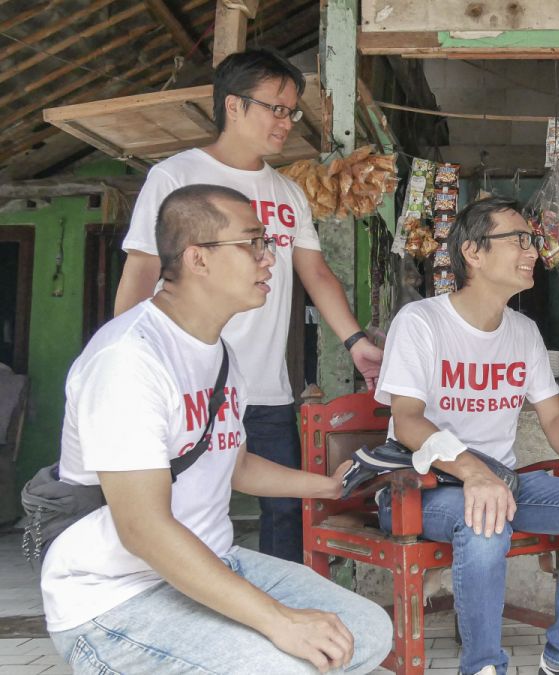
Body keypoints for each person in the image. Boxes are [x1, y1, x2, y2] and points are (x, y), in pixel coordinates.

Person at [42, 184, 392, 674]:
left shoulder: (219, 353)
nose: (269, 258)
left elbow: (235, 463)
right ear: (197, 259)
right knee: (290, 662)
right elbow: (143, 528)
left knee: (366, 630)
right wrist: (278, 621)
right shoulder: (129, 360)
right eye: (252, 243)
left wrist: (330, 486)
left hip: (212, 562)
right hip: (117, 597)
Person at [111, 49, 383, 564]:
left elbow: (316, 273)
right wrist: (119, 355)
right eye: (275, 108)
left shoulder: (288, 192)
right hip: (183, 380)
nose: (286, 121)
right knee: (171, 500)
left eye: (292, 111)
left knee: (284, 509)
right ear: (233, 106)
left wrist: (355, 343)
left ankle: (279, 618)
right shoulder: (175, 176)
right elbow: (142, 270)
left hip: (262, 385)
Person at [374, 197, 559, 675]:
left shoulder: (524, 331)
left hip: (502, 482)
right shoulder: (421, 321)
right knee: (483, 520)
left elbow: (554, 416)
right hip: (422, 484)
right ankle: (484, 667)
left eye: (531, 240)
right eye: (519, 240)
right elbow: (406, 420)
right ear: (473, 251)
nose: (532, 250)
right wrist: (472, 472)